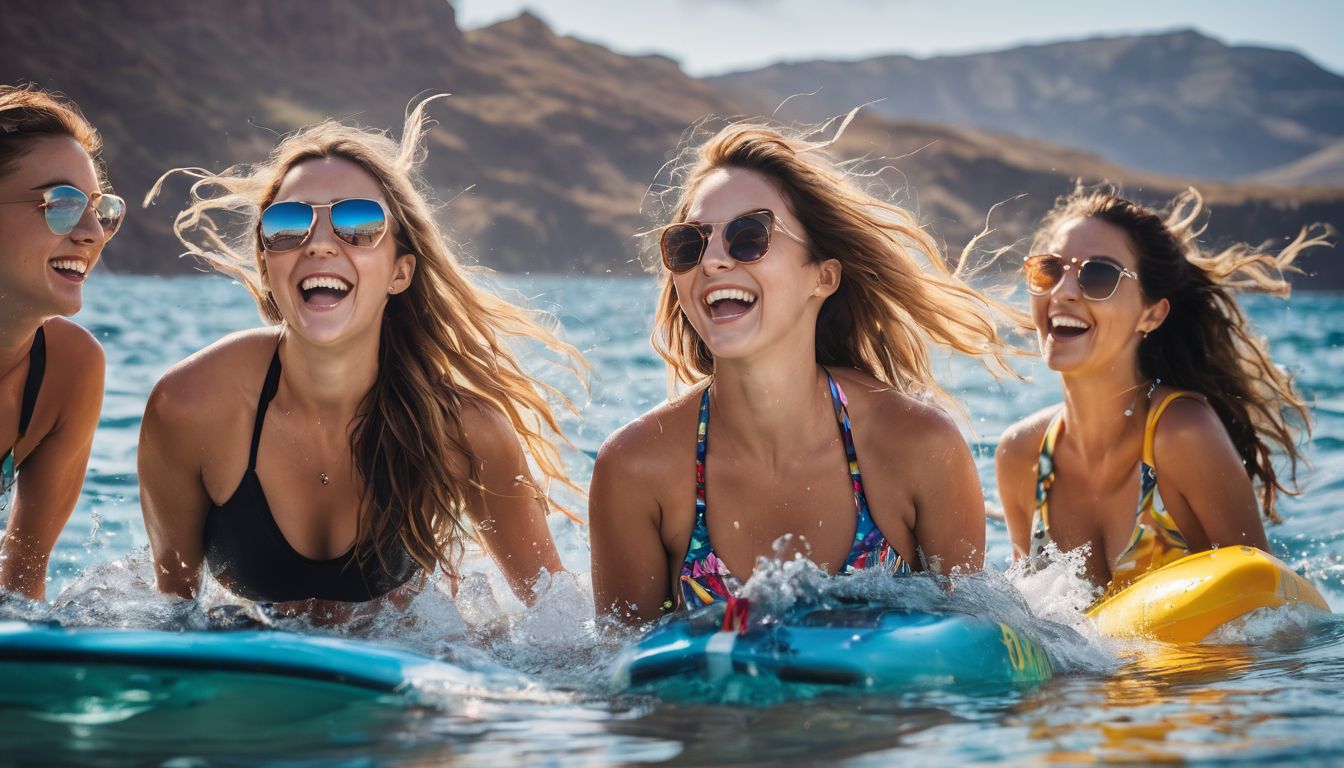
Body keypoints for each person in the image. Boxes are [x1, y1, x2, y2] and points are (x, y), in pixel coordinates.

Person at [139, 98, 583, 609]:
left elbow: (560, 625)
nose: (320, 244)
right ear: (266, 265)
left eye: (359, 222)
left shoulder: (464, 431)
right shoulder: (190, 407)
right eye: (288, 223)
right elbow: (172, 614)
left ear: (400, 272)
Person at [589, 118, 1020, 624]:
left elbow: (976, 655)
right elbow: (618, 672)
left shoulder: (916, 446)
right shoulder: (637, 468)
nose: (712, 262)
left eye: (749, 237)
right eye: (690, 244)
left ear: (823, 276)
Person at [995, 186, 1329, 594]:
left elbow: (1270, 610)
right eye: (1048, 270)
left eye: (1097, 275)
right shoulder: (1021, 455)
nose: (1063, 291)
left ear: (1151, 314)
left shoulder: (1184, 436)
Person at [0, 85, 122, 600]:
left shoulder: (68, 370)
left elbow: (21, 591)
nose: (92, 231)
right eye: (63, 204)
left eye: (100, 208)